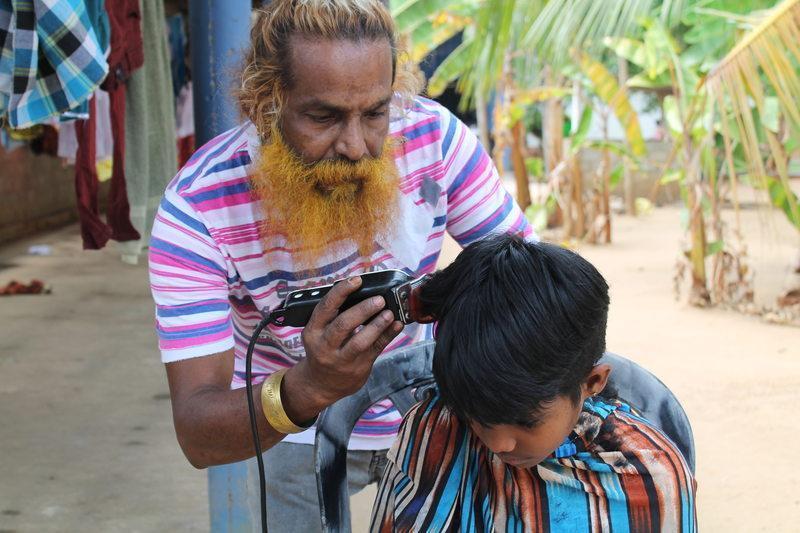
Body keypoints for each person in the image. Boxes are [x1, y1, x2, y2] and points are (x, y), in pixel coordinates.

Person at [147, 0, 532, 530]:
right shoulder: (197, 211)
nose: (355, 147)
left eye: (375, 113)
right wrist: (309, 387)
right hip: (289, 428)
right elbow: (197, 431)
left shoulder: (434, 139)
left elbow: (527, 275)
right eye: (323, 117)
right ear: (266, 102)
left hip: (430, 407)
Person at [371, 235, 697, 532]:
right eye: (477, 416)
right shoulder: (435, 434)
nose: (498, 445)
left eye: (525, 421)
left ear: (592, 382)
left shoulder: (647, 476)